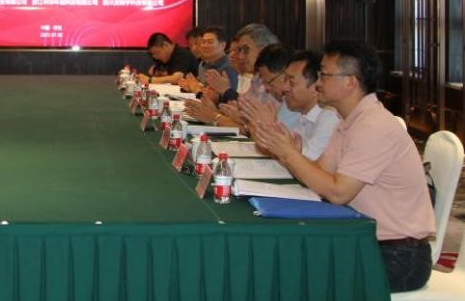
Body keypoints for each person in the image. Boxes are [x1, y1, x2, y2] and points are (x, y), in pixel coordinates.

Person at [253, 40, 434, 293]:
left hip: (397, 256)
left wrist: (289, 155)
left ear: (350, 82)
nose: (318, 83)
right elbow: (320, 175)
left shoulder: (373, 126)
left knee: (296, 275)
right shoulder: (347, 121)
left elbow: (338, 193)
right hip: (363, 240)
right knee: (284, 261)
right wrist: (288, 154)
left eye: (324, 75)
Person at [279, 50, 339, 160]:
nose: (284, 88)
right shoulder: (304, 116)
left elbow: (306, 162)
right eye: (285, 80)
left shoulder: (330, 117)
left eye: (292, 82)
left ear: (315, 87)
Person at [178, 26, 239, 102]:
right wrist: (192, 87)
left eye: (210, 42)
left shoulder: (230, 66)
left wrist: (197, 90)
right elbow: (205, 91)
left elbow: (230, 101)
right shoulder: (202, 64)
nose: (205, 46)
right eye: (203, 42)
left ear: (223, 45)